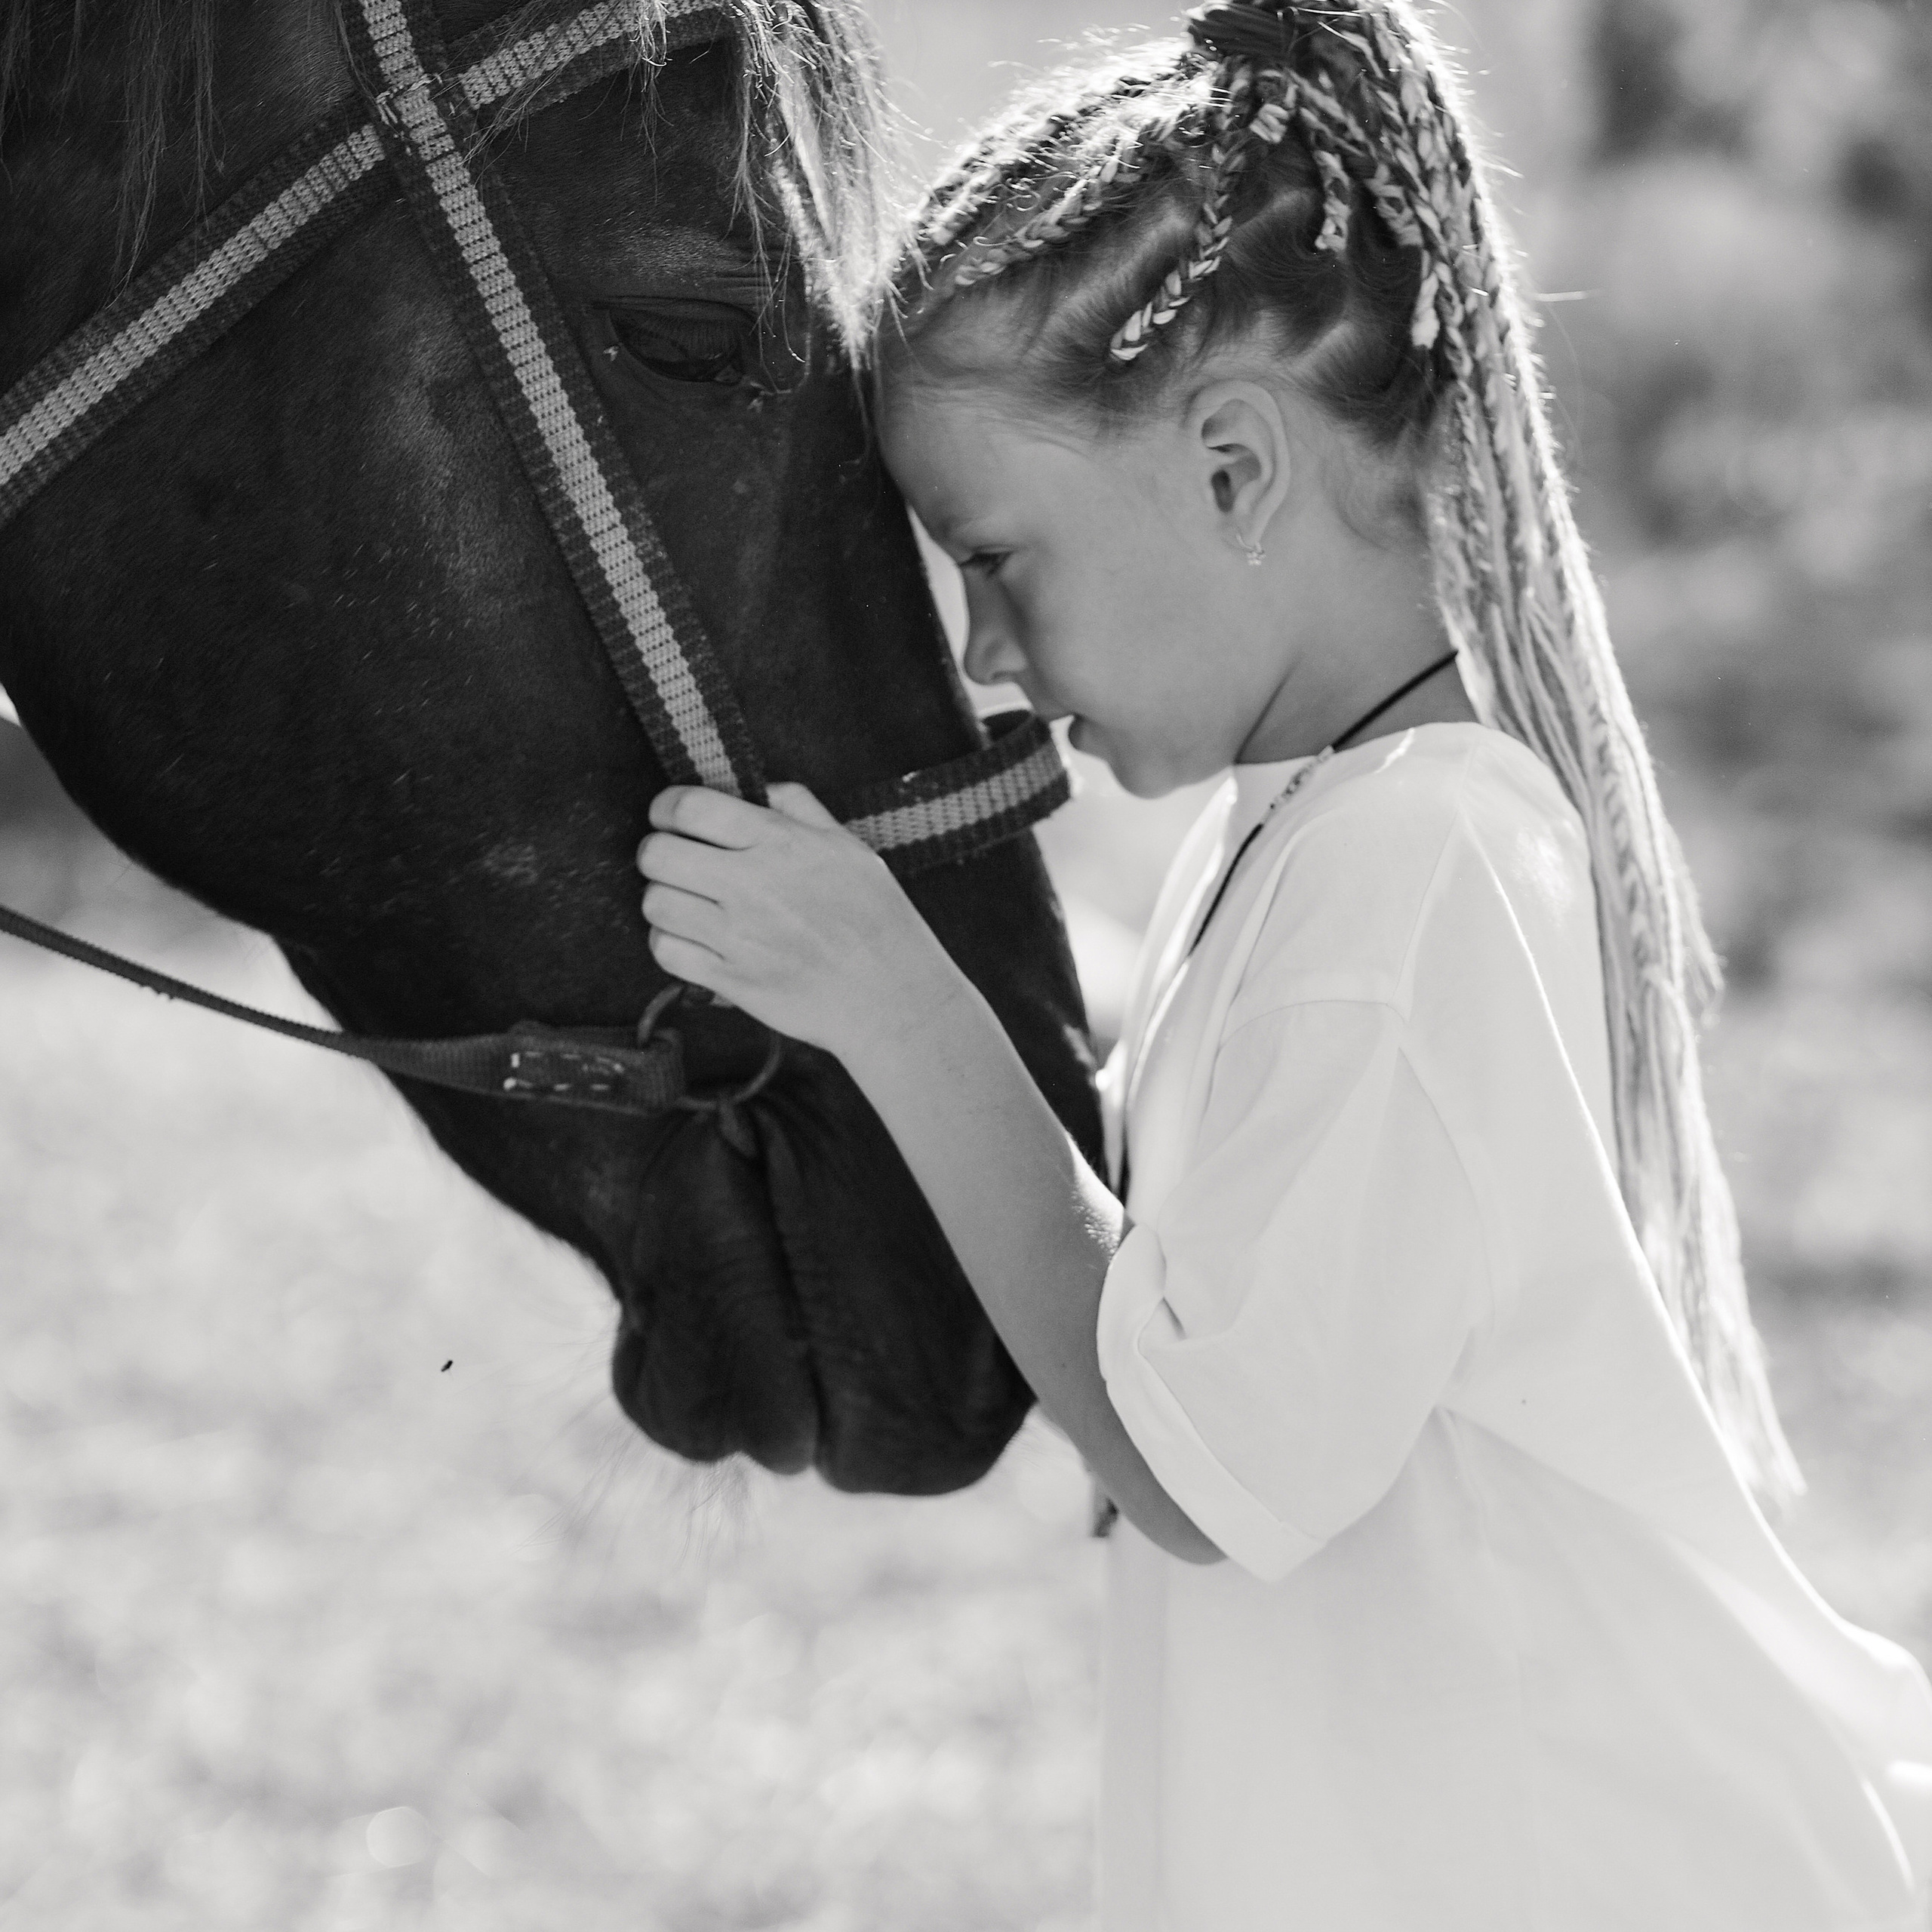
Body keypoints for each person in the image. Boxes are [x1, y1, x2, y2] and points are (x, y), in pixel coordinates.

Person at [635, 1, 1932, 1923]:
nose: (984, 653)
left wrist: (891, 999)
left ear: (1233, 472)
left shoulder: (1409, 871)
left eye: (996, 558)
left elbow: (1188, 1453)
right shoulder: (1321, 829)